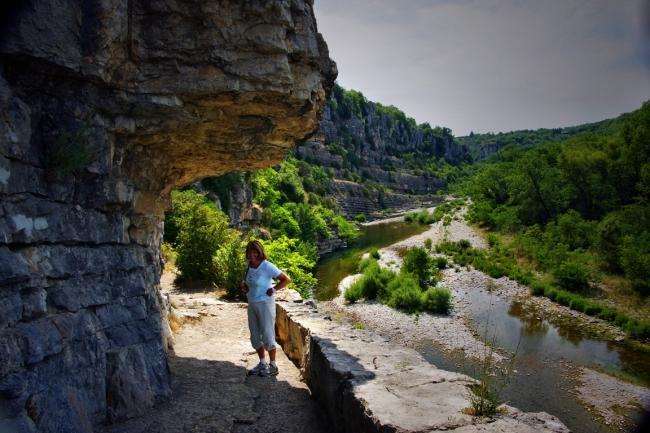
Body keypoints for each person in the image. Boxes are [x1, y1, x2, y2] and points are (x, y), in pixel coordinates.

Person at [240, 240, 290, 377]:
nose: (251, 255)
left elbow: (286, 279)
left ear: (258, 252)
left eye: (253, 252)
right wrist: (244, 287)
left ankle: (273, 366)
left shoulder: (267, 266)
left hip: (265, 304)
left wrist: (273, 289)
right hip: (252, 304)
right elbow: (247, 283)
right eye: (248, 252)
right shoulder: (248, 266)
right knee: (255, 336)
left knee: (268, 335)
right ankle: (262, 363)